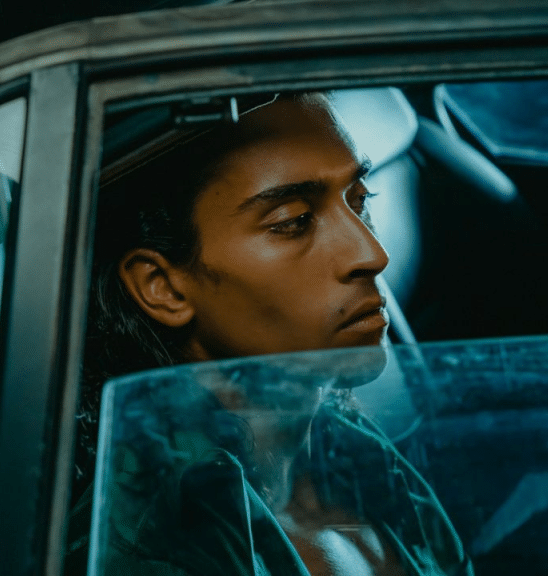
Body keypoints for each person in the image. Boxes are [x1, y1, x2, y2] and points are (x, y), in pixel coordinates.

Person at [65, 92, 473, 576]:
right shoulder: (152, 550)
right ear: (164, 289)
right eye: (294, 222)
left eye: (360, 201)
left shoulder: (349, 444)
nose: (373, 253)